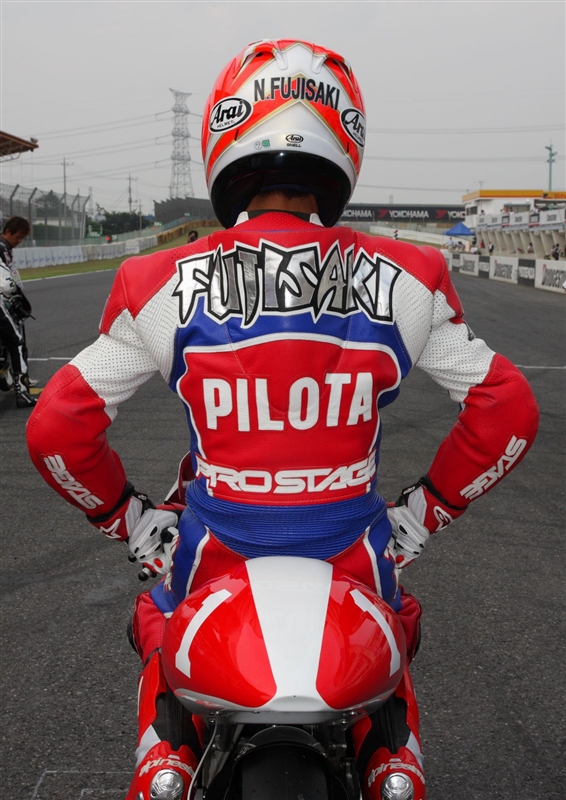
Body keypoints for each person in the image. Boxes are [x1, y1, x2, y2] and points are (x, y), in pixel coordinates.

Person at [26, 40, 539, 800]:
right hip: (354, 550)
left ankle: (164, 762)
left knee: (161, 625)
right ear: (345, 141)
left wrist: (132, 525)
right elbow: (508, 409)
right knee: (391, 632)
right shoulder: (412, 275)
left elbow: (56, 430)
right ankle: (394, 764)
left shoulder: (155, 280)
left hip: (213, 548)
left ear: (224, 131)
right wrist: (420, 518)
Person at [0, 216, 37, 408]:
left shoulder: (6, 248)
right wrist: (15, 296)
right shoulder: (1, 248)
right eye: (18, 237)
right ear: (8, 231)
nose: (19, 241)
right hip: (3, 300)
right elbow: (6, 283)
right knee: (17, 341)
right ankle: (22, 391)